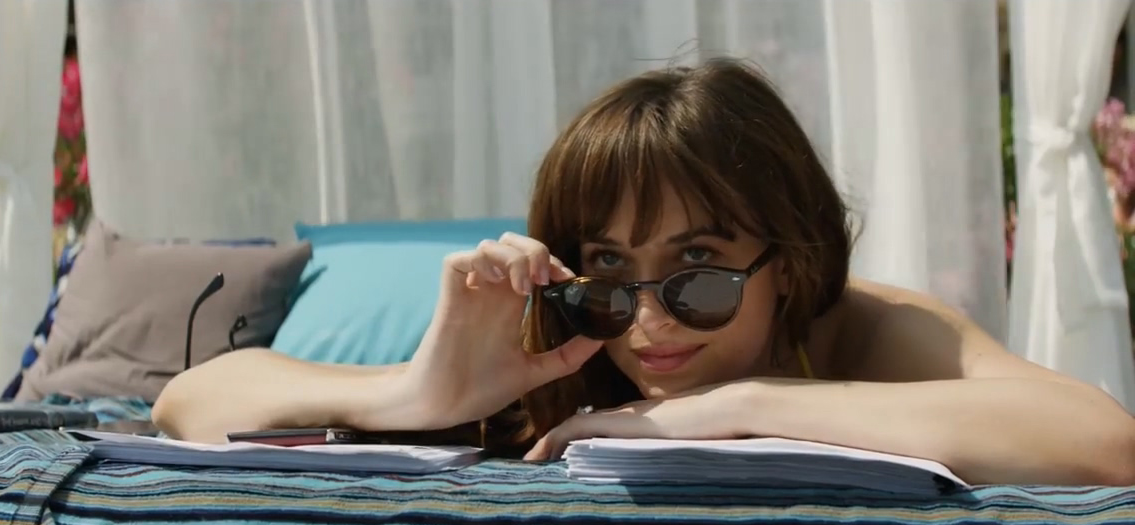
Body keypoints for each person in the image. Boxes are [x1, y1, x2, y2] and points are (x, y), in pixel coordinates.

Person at [153, 58, 1135, 486]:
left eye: (698, 269)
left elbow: (1103, 442)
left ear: (788, 262)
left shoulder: (862, 330)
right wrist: (412, 392)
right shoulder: (562, 344)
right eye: (608, 269)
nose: (648, 324)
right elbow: (187, 403)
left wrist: (737, 408)